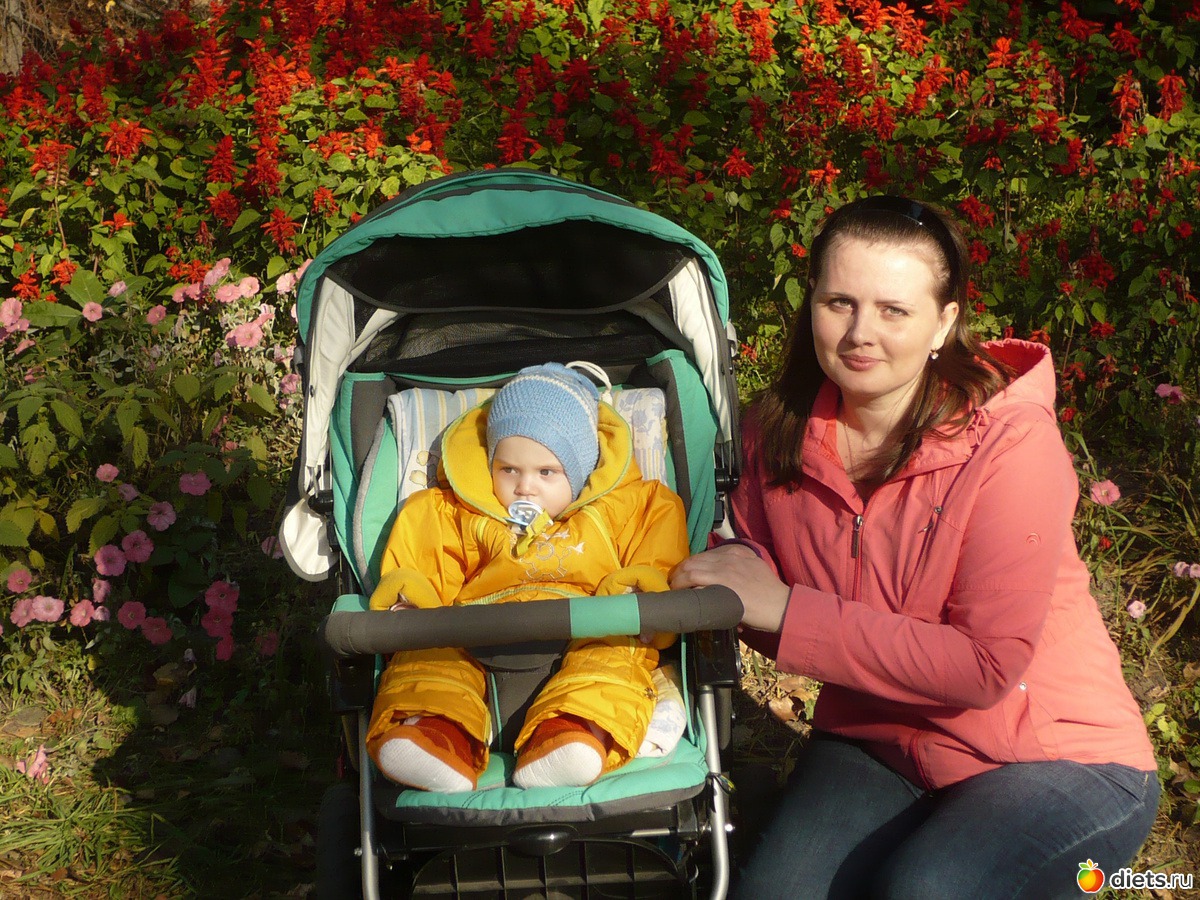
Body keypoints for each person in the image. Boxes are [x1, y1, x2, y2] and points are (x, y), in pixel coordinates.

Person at [671, 195, 1159, 898]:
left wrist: (783, 608)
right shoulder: (771, 433)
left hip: (1054, 755)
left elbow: (985, 666)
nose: (860, 333)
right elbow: (756, 574)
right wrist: (738, 571)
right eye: (839, 302)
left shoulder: (1009, 445)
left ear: (944, 323)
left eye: (894, 310)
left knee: (926, 888)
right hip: (879, 737)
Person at [365, 362, 688, 793]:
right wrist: (411, 599)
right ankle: (434, 736)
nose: (525, 488)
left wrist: (642, 592)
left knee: (615, 657)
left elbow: (656, 549)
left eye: (546, 472)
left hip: (587, 629)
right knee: (427, 655)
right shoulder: (455, 511)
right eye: (509, 470)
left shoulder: (623, 509)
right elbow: (423, 559)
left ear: (580, 471)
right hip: (473, 632)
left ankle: (573, 734)